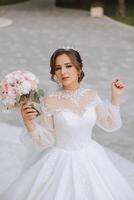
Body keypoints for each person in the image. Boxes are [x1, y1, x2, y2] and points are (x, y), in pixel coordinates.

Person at [0, 48, 134, 199]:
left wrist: (115, 96)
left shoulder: (92, 95)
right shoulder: (49, 101)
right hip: (60, 160)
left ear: (79, 68)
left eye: (68, 66)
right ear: (54, 74)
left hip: (91, 157)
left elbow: (110, 124)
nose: (63, 71)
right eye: (58, 68)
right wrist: (29, 123)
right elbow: (47, 140)